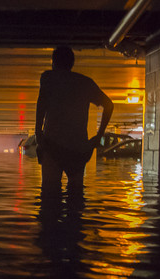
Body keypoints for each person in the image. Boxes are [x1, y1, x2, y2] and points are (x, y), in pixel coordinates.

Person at [35, 46, 113, 198]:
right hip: (77, 148)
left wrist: (39, 133)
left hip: (53, 144)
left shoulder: (48, 78)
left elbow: (41, 105)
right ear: (72, 63)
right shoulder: (86, 83)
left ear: (53, 63)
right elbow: (109, 105)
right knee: (76, 197)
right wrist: (99, 135)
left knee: (49, 196)